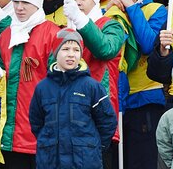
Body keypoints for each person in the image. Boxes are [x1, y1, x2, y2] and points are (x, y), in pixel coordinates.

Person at [0, 0, 62, 169]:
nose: (19, 8)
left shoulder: (53, 34)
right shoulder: (5, 36)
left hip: (42, 133)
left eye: (25, 2)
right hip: (10, 134)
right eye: (16, 2)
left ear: (37, 3)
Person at [103, 0, 167, 169]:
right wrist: (108, 13)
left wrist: (131, 8)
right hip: (113, 101)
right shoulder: (105, 12)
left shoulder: (155, 9)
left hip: (145, 100)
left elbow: (149, 45)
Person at [29, 29, 117, 169]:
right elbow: (36, 122)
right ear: (55, 52)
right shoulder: (42, 88)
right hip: (50, 162)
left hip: (85, 162)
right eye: (65, 49)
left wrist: (93, 147)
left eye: (76, 50)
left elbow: (107, 122)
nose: (71, 54)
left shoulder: (91, 86)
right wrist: (47, 142)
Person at [62, 0, 127, 120]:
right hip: (70, 108)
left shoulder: (112, 25)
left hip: (99, 107)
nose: (78, 2)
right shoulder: (66, 29)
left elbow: (106, 50)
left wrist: (79, 19)